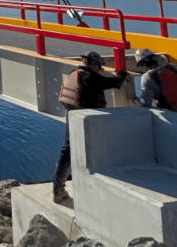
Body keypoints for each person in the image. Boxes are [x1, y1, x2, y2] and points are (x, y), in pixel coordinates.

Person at [52, 51, 129, 204]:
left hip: (71, 113)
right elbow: (112, 83)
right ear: (94, 64)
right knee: (94, 149)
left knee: (66, 150)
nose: (98, 69)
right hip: (85, 116)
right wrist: (122, 75)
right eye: (98, 66)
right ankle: (91, 188)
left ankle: (58, 190)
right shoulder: (91, 77)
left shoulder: (75, 73)